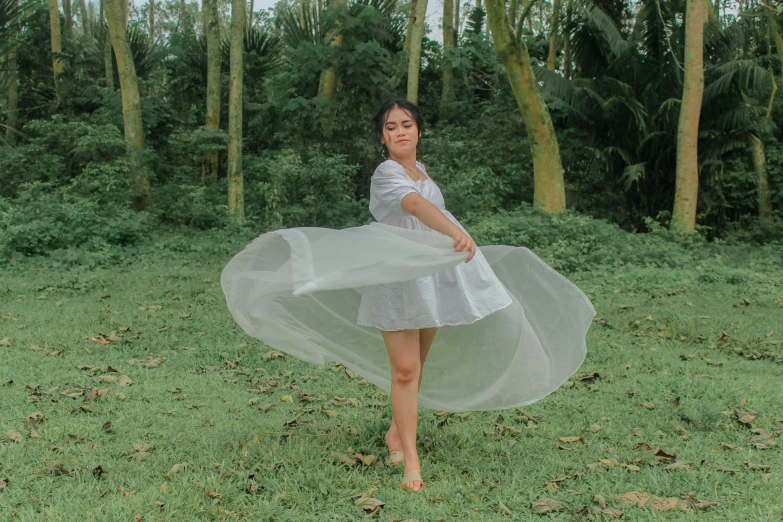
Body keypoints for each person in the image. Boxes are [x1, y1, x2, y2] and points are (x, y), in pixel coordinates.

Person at [221, 99, 596, 494]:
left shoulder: (422, 171)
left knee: (417, 363)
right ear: (383, 137)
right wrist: (453, 233)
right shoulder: (387, 172)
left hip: (432, 277)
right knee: (404, 370)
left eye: (406, 124)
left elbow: (427, 200)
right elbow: (414, 206)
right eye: (390, 127)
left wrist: (449, 240)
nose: (399, 132)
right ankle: (410, 462)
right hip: (399, 279)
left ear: (418, 130)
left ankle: (395, 433)